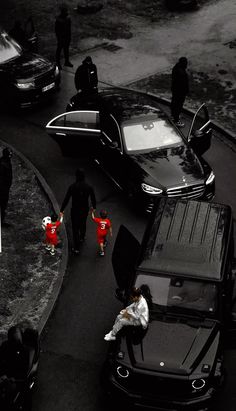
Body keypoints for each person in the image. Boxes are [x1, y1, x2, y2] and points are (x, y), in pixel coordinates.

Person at [60, 168, 96, 254]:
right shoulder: (89, 187)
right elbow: (93, 198)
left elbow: (67, 199)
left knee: (75, 228)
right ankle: (82, 237)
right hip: (84, 209)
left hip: (75, 210)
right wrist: (93, 207)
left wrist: (62, 209)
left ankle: (76, 247)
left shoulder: (72, 187)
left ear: (76, 176)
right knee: (83, 223)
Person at [171, 56, 189, 127]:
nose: (187, 64)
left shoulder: (176, 68)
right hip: (180, 92)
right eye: (186, 63)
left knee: (174, 103)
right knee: (178, 105)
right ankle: (176, 120)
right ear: (183, 63)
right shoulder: (181, 72)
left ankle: (173, 116)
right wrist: (186, 91)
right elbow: (183, 84)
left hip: (175, 90)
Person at [55, 4, 73, 69]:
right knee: (59, 50)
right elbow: (56, 30)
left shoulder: (68, 18)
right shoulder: (59, 20)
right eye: (65, 12)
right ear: (62, 12)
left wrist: (69, 37)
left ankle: (67, 61)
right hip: (61, 38)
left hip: (67, 37)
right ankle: (58, 63)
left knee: (66, 49)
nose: (67, 13)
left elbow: (69, 29)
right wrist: (59, 38)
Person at [0, 148, 13, 226]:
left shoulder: (5, 161)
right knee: (2, 204)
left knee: (3, 204)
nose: (11, 155)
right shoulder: (3, 164)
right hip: (2, 189)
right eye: (10, 154)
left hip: (5, 188)